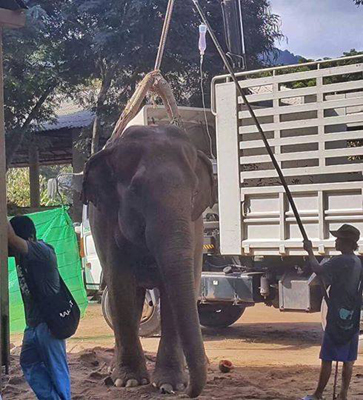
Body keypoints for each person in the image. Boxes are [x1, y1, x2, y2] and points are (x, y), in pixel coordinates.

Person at [8, 216, 71, 400]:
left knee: (57, 371)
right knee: (28, 361)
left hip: (49, 324)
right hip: (33, 325)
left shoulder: (43, 252)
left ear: (28, 239)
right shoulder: (22, 254)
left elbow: (12, 239)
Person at [302, 224, 362, 400]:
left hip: (338, 316)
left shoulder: (343, 260)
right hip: (351, 315)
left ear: (347, 242)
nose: (335, 241)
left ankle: (318, 394)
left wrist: (309, 250)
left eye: (338, 238)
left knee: (328, 356)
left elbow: (318, 269)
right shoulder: (357, 261)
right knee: (348, 359)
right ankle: (343, 394)